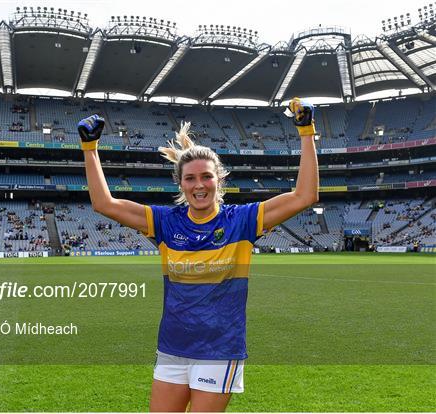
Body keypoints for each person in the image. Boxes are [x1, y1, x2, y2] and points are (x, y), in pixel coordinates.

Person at [78, 97, 319, 412]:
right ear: (180, 183)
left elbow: (305, 195)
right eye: (190, 178)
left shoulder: (243, 220)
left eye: (206, 176)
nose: (199, 184)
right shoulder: (165, 222)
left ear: (219, 179)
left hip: (219, 351)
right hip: (173, 349)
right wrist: (90, 149)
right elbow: (104, 204)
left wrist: (306, 133)